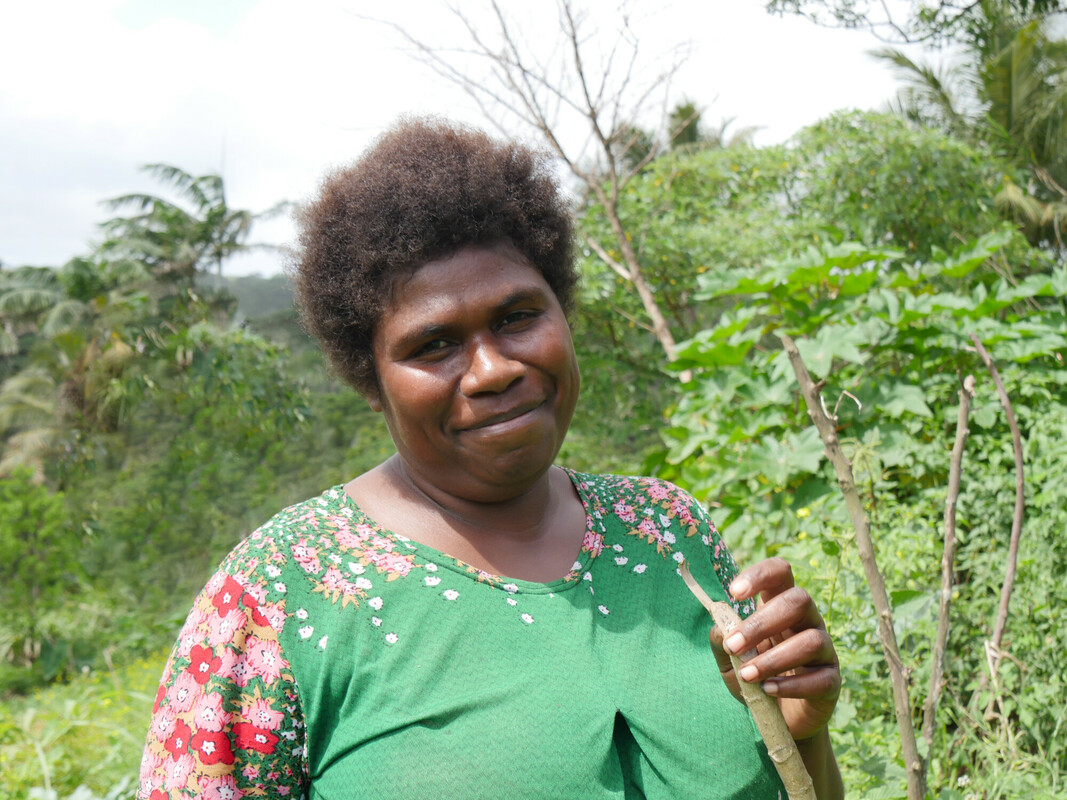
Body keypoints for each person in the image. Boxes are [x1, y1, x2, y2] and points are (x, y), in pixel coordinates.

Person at [138, 119, 843, 799]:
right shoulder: (278, 593)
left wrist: (802, 731)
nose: (491, 369)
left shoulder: (664, 528)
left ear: (562, 311)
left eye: (516, 318)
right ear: (370, 378)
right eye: (433, 345)